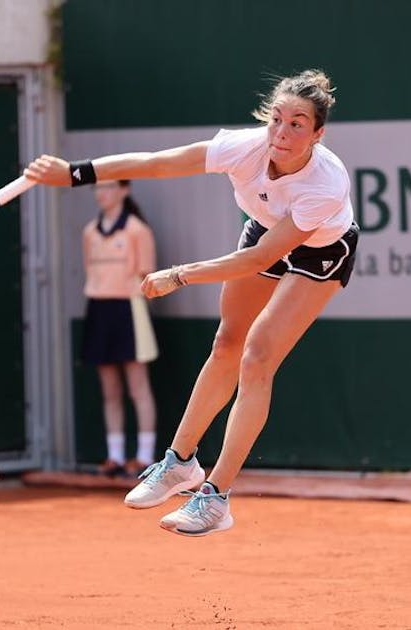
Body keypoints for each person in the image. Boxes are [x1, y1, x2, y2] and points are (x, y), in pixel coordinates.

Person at [25, 69, 357, 536]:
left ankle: (216, 498)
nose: (282, 133)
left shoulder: (325, 183)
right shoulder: (247, 148)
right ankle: (179, 463)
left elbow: (260, 258)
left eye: (297, 124)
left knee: (257, 354)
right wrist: (76, 174)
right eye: (277, 119)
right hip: (265, 231)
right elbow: (160, 162)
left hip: (319, 251)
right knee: (226, 343)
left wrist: (180, 275)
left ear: (317, 134)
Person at [80, 180, 159, 478]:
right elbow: (90, 272)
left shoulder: (138, 230)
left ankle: (145, 457)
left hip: (131, 309)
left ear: (124, 190)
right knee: (109, 389)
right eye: (97, 188)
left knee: (138, 386)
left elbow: (148, 278)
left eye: (109, 187)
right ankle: (114, 456)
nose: (102, 193)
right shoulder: (89, 232)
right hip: (99, 309)